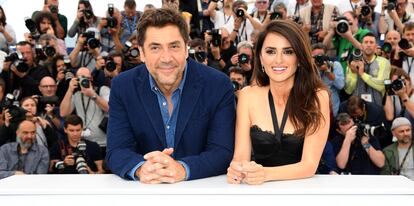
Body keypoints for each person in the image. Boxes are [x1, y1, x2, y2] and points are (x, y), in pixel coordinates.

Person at [106, 8, 235, 183]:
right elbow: (117, 150)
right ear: (142, 53)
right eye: (155, 48)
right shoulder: (123, 86)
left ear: (185, 48)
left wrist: (182, 169)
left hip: (202, 192)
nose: (166, 58)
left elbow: (222, 151)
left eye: (174, 46)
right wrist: (141, 169)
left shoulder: (218, 85)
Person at [227, 20, 330, 185]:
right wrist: (236, 168)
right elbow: (240, 156)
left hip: (305, 191)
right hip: (259, 192)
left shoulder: (318, 97)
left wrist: (265, 174)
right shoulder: (247, 96)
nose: (278, 60)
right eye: (270, 51)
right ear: (260, 57)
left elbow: (309, 165)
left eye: (288, 52)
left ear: (299, 57)